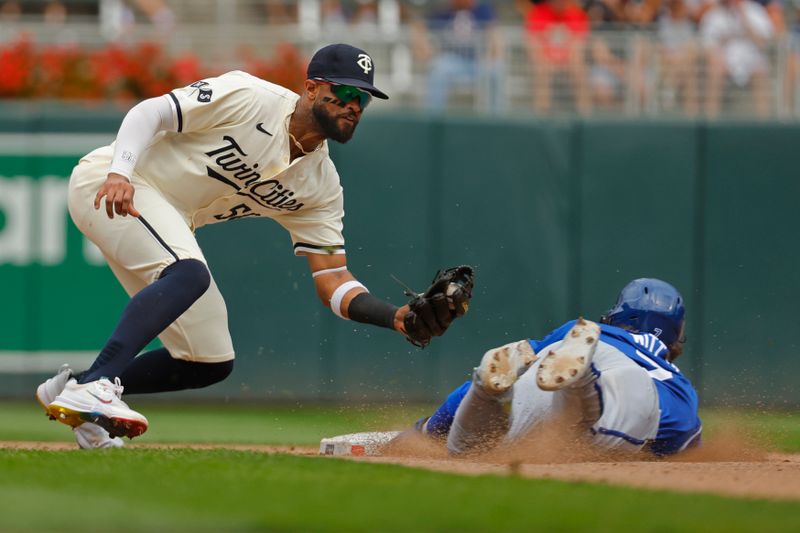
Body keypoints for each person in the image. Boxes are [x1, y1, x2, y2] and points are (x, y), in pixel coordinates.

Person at [35, 43, 472, 449]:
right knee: (188, 273)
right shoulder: (249, 95)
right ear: (312, 88)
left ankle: (78, 386)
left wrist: (395, 318)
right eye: (344, 91)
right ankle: (97, 388)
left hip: (167, 217)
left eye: (363, 98)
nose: (353, 105)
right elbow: (151, 113)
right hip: (114, 184)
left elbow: (333, 281)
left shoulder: (320, 186)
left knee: (208, 361)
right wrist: (120, 172)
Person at [415, 278, 702, 457]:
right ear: (675, 336)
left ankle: (485, 393)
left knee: (473, 453)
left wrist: (427, 429)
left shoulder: (586, 330)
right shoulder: (679, 386)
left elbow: (518, 363)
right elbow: (684, 442)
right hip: (630, 387)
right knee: (611, 421)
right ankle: (586, 377)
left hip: (554, 370)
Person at [410, 0, 505, 114]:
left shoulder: (483, 10)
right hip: (453, 61)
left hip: (479, 61)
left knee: (496, 69)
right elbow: (419, 24)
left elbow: (495, 35)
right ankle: (434, 119)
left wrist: (492, 55)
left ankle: (495, 117)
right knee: (439, 70)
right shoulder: (444, 12)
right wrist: (423, 46)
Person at [700, 0, 774, 118]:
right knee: (715, 69)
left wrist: (744, 18)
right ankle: (711, 121)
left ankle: (763, 125)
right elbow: (707, 46)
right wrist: (718, 55)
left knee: (761, 71)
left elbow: (764, 43)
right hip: (724, 61)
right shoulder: (715, 15)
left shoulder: (755, 11)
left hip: (751, 60)